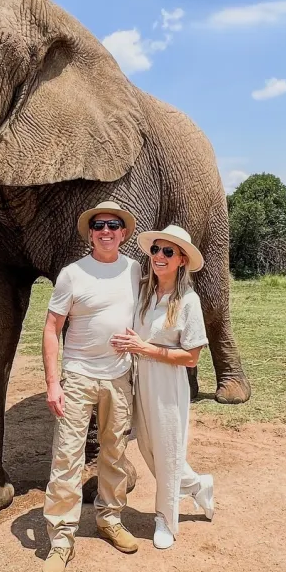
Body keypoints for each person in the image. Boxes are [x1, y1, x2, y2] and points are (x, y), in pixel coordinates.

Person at [40, 200, 142, 572]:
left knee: (114, 454)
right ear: (90, 232)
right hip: (79, 376)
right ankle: (61, 539)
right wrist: (53, 382)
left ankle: (109, 519)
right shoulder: (72, 274)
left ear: (124, 232)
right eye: (99, 225)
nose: (106, 231)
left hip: (119, 376)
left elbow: (151, 308)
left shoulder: (134, 270)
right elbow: (52, 328)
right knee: (66, 457)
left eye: (113, 225)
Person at [111, 225, 215, 550]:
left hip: (169, 382)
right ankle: (198, 485)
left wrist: (147, 349)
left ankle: (165, 519)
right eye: (156, 249)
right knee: (147, 446)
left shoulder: (188, 302)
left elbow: (192, 357)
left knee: (169, 451)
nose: (159, 256)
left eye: (168, 252)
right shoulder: (143, 293)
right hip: (142, 378)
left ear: (181, 259)